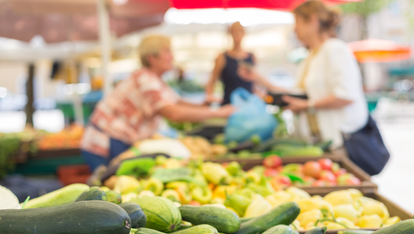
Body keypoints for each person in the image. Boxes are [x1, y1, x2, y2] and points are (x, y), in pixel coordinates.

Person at [81, 35, 234, 171]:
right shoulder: (145, 79)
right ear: (151, 58)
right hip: (104, 143)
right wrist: (218, 113)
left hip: (119, 141)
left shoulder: (155, 80)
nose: (172, 56)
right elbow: (174, 113)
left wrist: (204, 104)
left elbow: (177, 102)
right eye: (167, 52)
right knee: (108, 190)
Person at [240, 0, 368, 150]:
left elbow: (345, 95)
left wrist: (307, 105)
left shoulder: (335, 49)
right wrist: (258, 78)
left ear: (312, 20)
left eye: (297, 22)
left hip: (342, 143)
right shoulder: (310, 57)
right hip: (319, 144)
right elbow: (299, 94)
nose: (295, 29)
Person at [205, 22, 283, 105]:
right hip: (229, 104)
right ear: (230, 33)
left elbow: (255, 82)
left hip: (248, 103)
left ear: (243, 33)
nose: (237, 35)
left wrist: (259, 95)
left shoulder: (251, 56)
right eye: (234, 32)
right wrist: (209, 96)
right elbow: (212, 81)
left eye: (239, 31)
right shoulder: (222, 57)